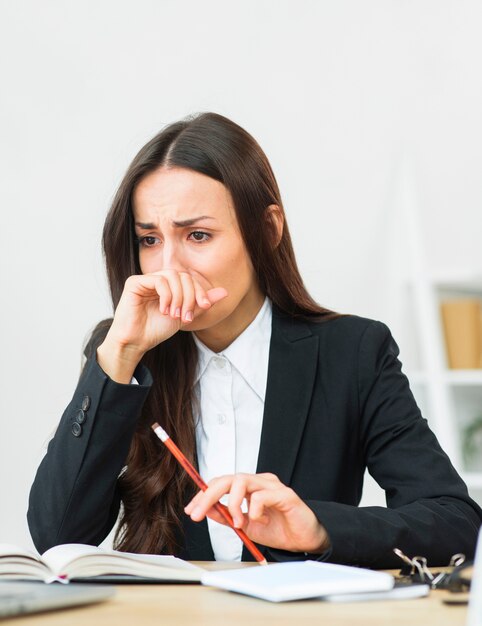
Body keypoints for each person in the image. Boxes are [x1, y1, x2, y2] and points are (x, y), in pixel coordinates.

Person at [28, 112, 482, 567]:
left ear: (267, 230)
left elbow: (454, 522)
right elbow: (58, 536)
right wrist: (120, 356)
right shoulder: (122, 353)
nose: (169, 266)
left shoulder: (353, 352)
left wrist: (319, 527)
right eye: (149, 239)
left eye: (198, 235)